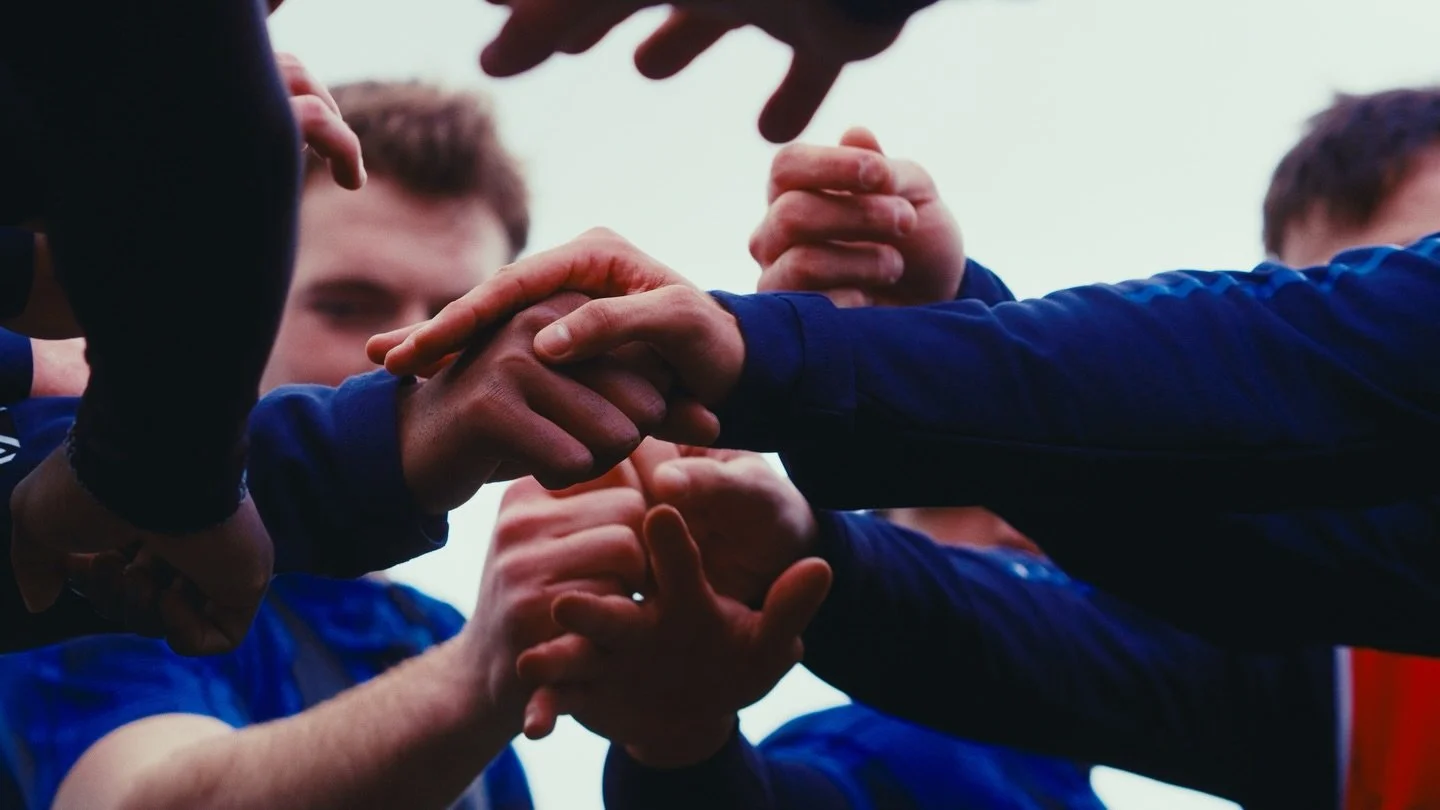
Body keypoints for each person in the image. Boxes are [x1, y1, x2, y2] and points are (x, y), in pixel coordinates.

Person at [541, 90, 1440, 810]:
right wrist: (800, 558)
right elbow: (1052, 636)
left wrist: (793, 358)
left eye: (1396, 290)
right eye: (1329, 290)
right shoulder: (1329, 675)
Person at [0, 79, 642, 810]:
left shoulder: (443, 634)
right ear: (225, 309)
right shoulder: (97, 550)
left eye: (469, 318)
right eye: (344, 305)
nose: (415, 351)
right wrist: (484, 674)